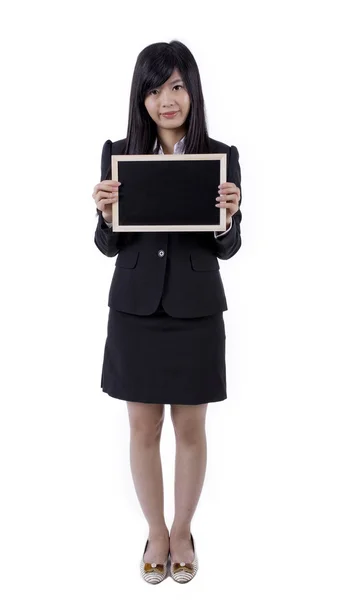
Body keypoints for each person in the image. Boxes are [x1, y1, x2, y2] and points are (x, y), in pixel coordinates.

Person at [92, 40, 242, 584]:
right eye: (154, 90)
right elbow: (109, 245)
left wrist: (228, 218)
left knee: (191, 427)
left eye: (176, 86)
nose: (166, 100)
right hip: (135, 308)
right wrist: (107, 215)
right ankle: (156, 530)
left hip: (196, 307)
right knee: (142, 426)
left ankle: (183, 531)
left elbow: (228, 247)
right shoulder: (119, 153)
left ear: (192, 91)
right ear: (142, 98)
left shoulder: (220, 155)